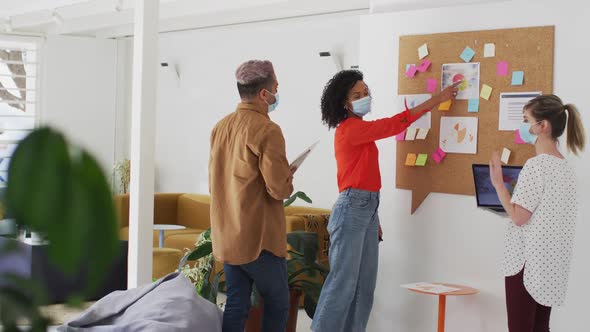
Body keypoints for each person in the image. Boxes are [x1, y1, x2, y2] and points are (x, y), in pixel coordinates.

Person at [311, 70, 460, 332]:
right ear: (344, 103)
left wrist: (374, 216)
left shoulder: (360, 131)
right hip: (351, 209)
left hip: (366, 209)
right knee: (342, 284)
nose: (363, 97)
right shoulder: (350, 130)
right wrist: (437, 99)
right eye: (356, 95)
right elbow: (395, 124)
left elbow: (364, 175)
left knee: (364, 287)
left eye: (366, 92)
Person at [209, 60, 294, 332]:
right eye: (276, 87)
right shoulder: (267, 129)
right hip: (259, 241)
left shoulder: (220, 127)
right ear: (263, 94)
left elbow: (216, 182)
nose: (278, 91)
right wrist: (288, 175)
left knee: (236, 303)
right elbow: (278, 189)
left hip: (228, 237)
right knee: (279, 301)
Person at [489, 94, 585, 332]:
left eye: (525, 119)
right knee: (541, 328)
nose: (522, 126)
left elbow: (520, 218)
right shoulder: (567, 170)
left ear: (542, 126)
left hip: (526, 265)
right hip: (551, 266)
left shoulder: (536, 166)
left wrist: (499, 184)